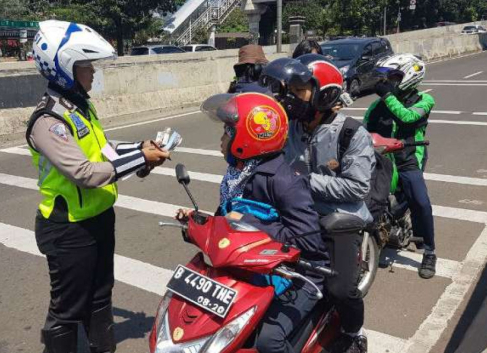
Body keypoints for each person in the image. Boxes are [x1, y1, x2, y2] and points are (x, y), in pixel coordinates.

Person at [26, 20, 170, 353]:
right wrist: (139, 159)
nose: (93, 73)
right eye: (86, 66)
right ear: (64, 69)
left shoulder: (80, 107)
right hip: (68, 227)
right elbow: (85, 172)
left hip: (99, 217)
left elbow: (104, 152)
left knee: (101, 294)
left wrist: (141, 152)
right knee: (68, 309)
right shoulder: (49, 119)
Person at [179, 92, 329, 353]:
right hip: (250, 266)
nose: (222, 138)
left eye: (228, 132)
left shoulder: (283, 181)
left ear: (248, 138)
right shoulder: (238, 174)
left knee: (269, 342)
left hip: (298, 274)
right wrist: (197, 224)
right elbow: (227, 222)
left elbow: (308, 240)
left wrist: (250, 226)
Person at [261, 54, 375, 353]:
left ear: (324, 94)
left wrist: (303, 181)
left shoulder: (351, 133)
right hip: (299, 216)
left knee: (341, 289)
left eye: (299, 92)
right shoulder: (291, 129)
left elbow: (357, 187)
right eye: (289, 92)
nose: (290, 99)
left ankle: (354, 332)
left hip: (338, 220)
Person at [364, 53, 437, 279]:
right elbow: (364, 128)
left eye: (394, 77)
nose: (389, 82)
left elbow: (406, 118)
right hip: (382, 159)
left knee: (421, 202)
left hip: (408, 159)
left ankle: (429, 251)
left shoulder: (424, 100)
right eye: (388, 78)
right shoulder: (378, 104)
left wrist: (387, 96)